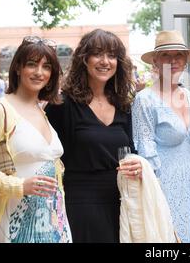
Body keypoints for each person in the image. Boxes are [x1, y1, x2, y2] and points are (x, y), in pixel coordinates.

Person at [0, 36, 72, 242]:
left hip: (53, 218)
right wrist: (16, 186)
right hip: (13, 220)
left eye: (46, 66)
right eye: (32, 64)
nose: (39, 72)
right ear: (17, 68)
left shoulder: (41, 111)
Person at [45, 29, 141, 243]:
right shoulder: (63, 105)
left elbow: (131, 151)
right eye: (98, 54)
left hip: (121, 202)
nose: (105, 61)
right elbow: (48, 158)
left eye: (112, 55)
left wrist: (137, 164)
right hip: (79, 205)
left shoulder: (123, 105)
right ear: (84, 59)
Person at [132, 30, 190, 243]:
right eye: (166, 55)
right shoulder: (144, 100)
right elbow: (145, 150)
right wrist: (155, 197)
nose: (173, 60)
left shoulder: (188, 96)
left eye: (179, 55)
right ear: (155, 60)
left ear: (185, 61)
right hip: (163, 187)